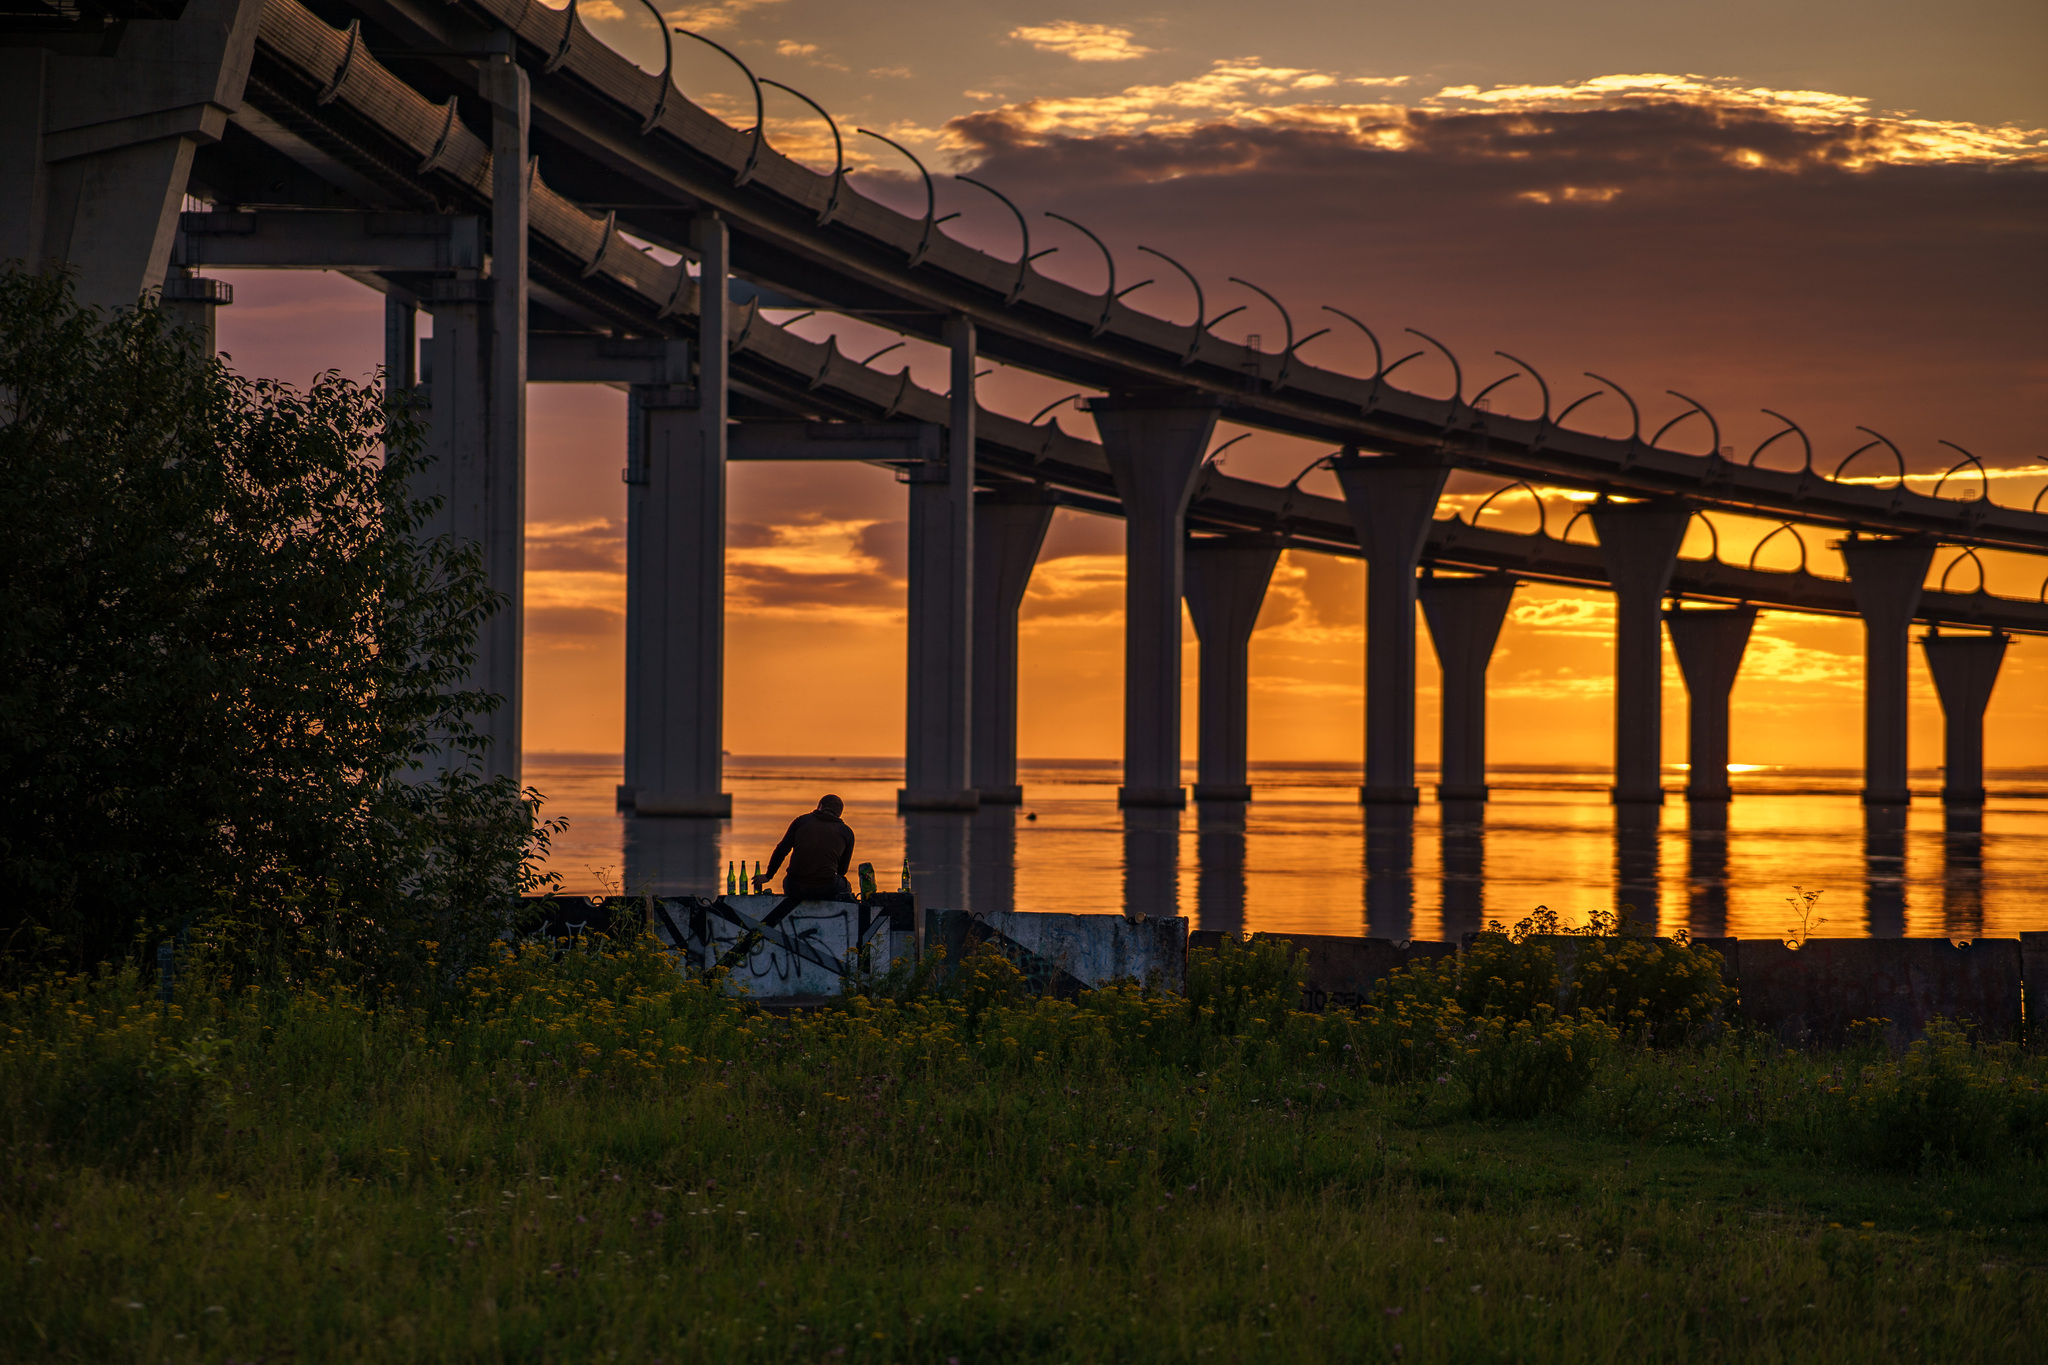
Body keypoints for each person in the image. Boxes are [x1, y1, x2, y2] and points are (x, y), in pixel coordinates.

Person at [757, 794, 856, 900]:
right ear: (839, 813)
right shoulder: (847, 832)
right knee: (847, 886)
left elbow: (782, 849)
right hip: (827, 888)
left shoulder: (802, 821)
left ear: (820, 806)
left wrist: (768, 875)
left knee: (789, 881)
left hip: (795, 887)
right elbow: (842, 870)